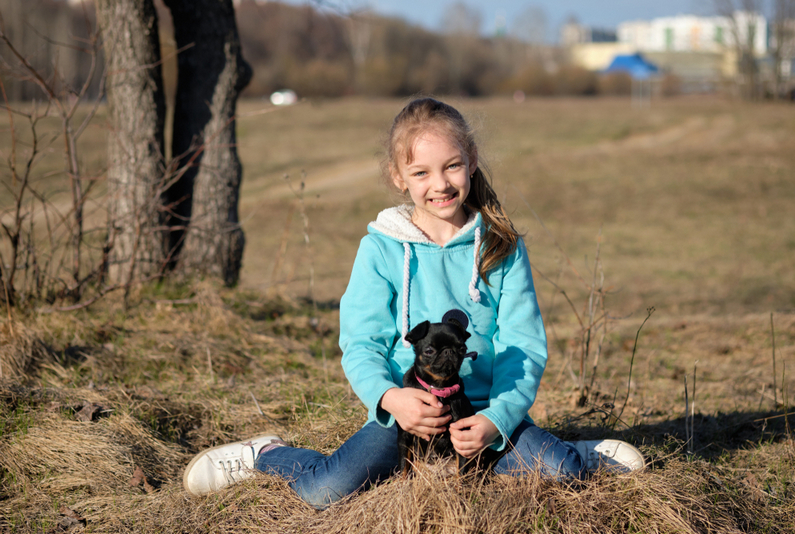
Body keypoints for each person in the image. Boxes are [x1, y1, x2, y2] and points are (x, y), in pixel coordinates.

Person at [183, 97, 645, 508]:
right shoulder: (381, 248)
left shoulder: (500, 246)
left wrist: (495, 420)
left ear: (472, 161)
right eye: (421, 172)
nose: (439, 184)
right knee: (323, 492)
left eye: (451, 166)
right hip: (405, 415)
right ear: (398, 177)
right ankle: (267, 456)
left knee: (562, 475)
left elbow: (523, 346)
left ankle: (572, 454)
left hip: (483, 413)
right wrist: (391, 398)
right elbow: (361, 342)